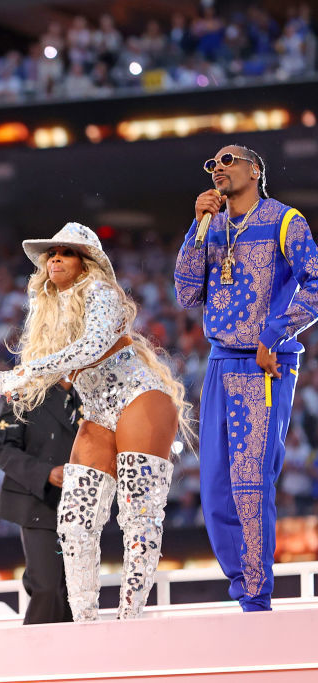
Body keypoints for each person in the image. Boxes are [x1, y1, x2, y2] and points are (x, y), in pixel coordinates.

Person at [0, 222, 190, 621]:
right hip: (99, 412)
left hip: (141, 398)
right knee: (74, 522)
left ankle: (131, 618)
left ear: (86, 263)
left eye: (66, 252)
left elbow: (93, 346)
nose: (55, 258)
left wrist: (36, 369)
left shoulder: (102, 293)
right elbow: (22, 378)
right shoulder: (50, 320)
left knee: (138, 516)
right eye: (51, 253)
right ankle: (86, 625)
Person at [174, 144, 318, 611]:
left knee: (249, 482)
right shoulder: (210, 226)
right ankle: (243, 592)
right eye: (212, 163)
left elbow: (316, 282)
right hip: (219, 361)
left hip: (264, 364)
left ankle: (257, 600)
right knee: (215, 488)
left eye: (228, 160)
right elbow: (186, 291)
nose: (218, 168)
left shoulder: (284, 220)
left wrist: (276, 332)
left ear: (255, 170)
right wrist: (197, 227)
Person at [0, 380, 80, 624]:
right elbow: (5, 450)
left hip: (83, 505)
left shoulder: (93, 388)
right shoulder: (24, 389)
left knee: (76, 595)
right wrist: (46, 473)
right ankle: (33, 655)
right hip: (38, 502)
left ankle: (69, 657)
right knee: (48, 589)